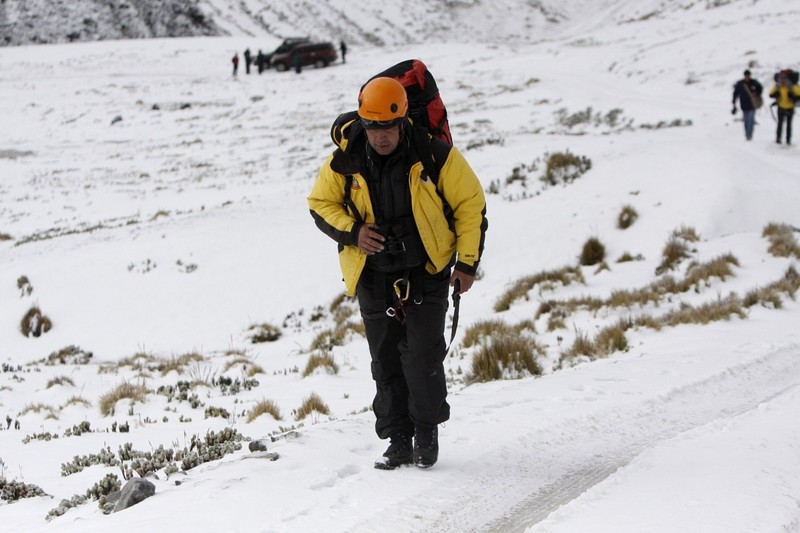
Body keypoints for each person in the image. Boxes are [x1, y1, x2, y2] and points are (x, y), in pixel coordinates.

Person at [308, 77, 488, 469]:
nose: (381, 135)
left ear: (403, 119)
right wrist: (355, 232)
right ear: (363, 122)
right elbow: (320, 203)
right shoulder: (345, 158)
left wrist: (467, 263)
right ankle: (398, 439)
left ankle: (426, 434)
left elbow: (471, 205)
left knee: (422, 356)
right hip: (373, 275)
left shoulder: (434, 154)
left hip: (427, 270)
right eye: (373, 127)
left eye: (388, 127)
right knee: (385, 361)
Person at [769, 70, 800, 145]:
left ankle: (778, 138)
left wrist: (776, 95)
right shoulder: (792, 85)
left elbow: (770, 94)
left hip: (781, 107)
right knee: (788, 124)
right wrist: (793, 98)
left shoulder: (778, 86)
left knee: (780, 124)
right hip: (790, 107)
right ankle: (788, 140)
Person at [731, 69, 762, 140]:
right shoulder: (740, 84)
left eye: (748, 76)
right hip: (744, 104)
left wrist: (756, 93)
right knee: (746, 120)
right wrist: (734, 102)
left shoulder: (754, 83)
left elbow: (760, 89)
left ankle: (750, 134)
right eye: (746, 76)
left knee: (751, 119)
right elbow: (735, 93)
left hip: (752, 104)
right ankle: (747, 134)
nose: (747, 77)